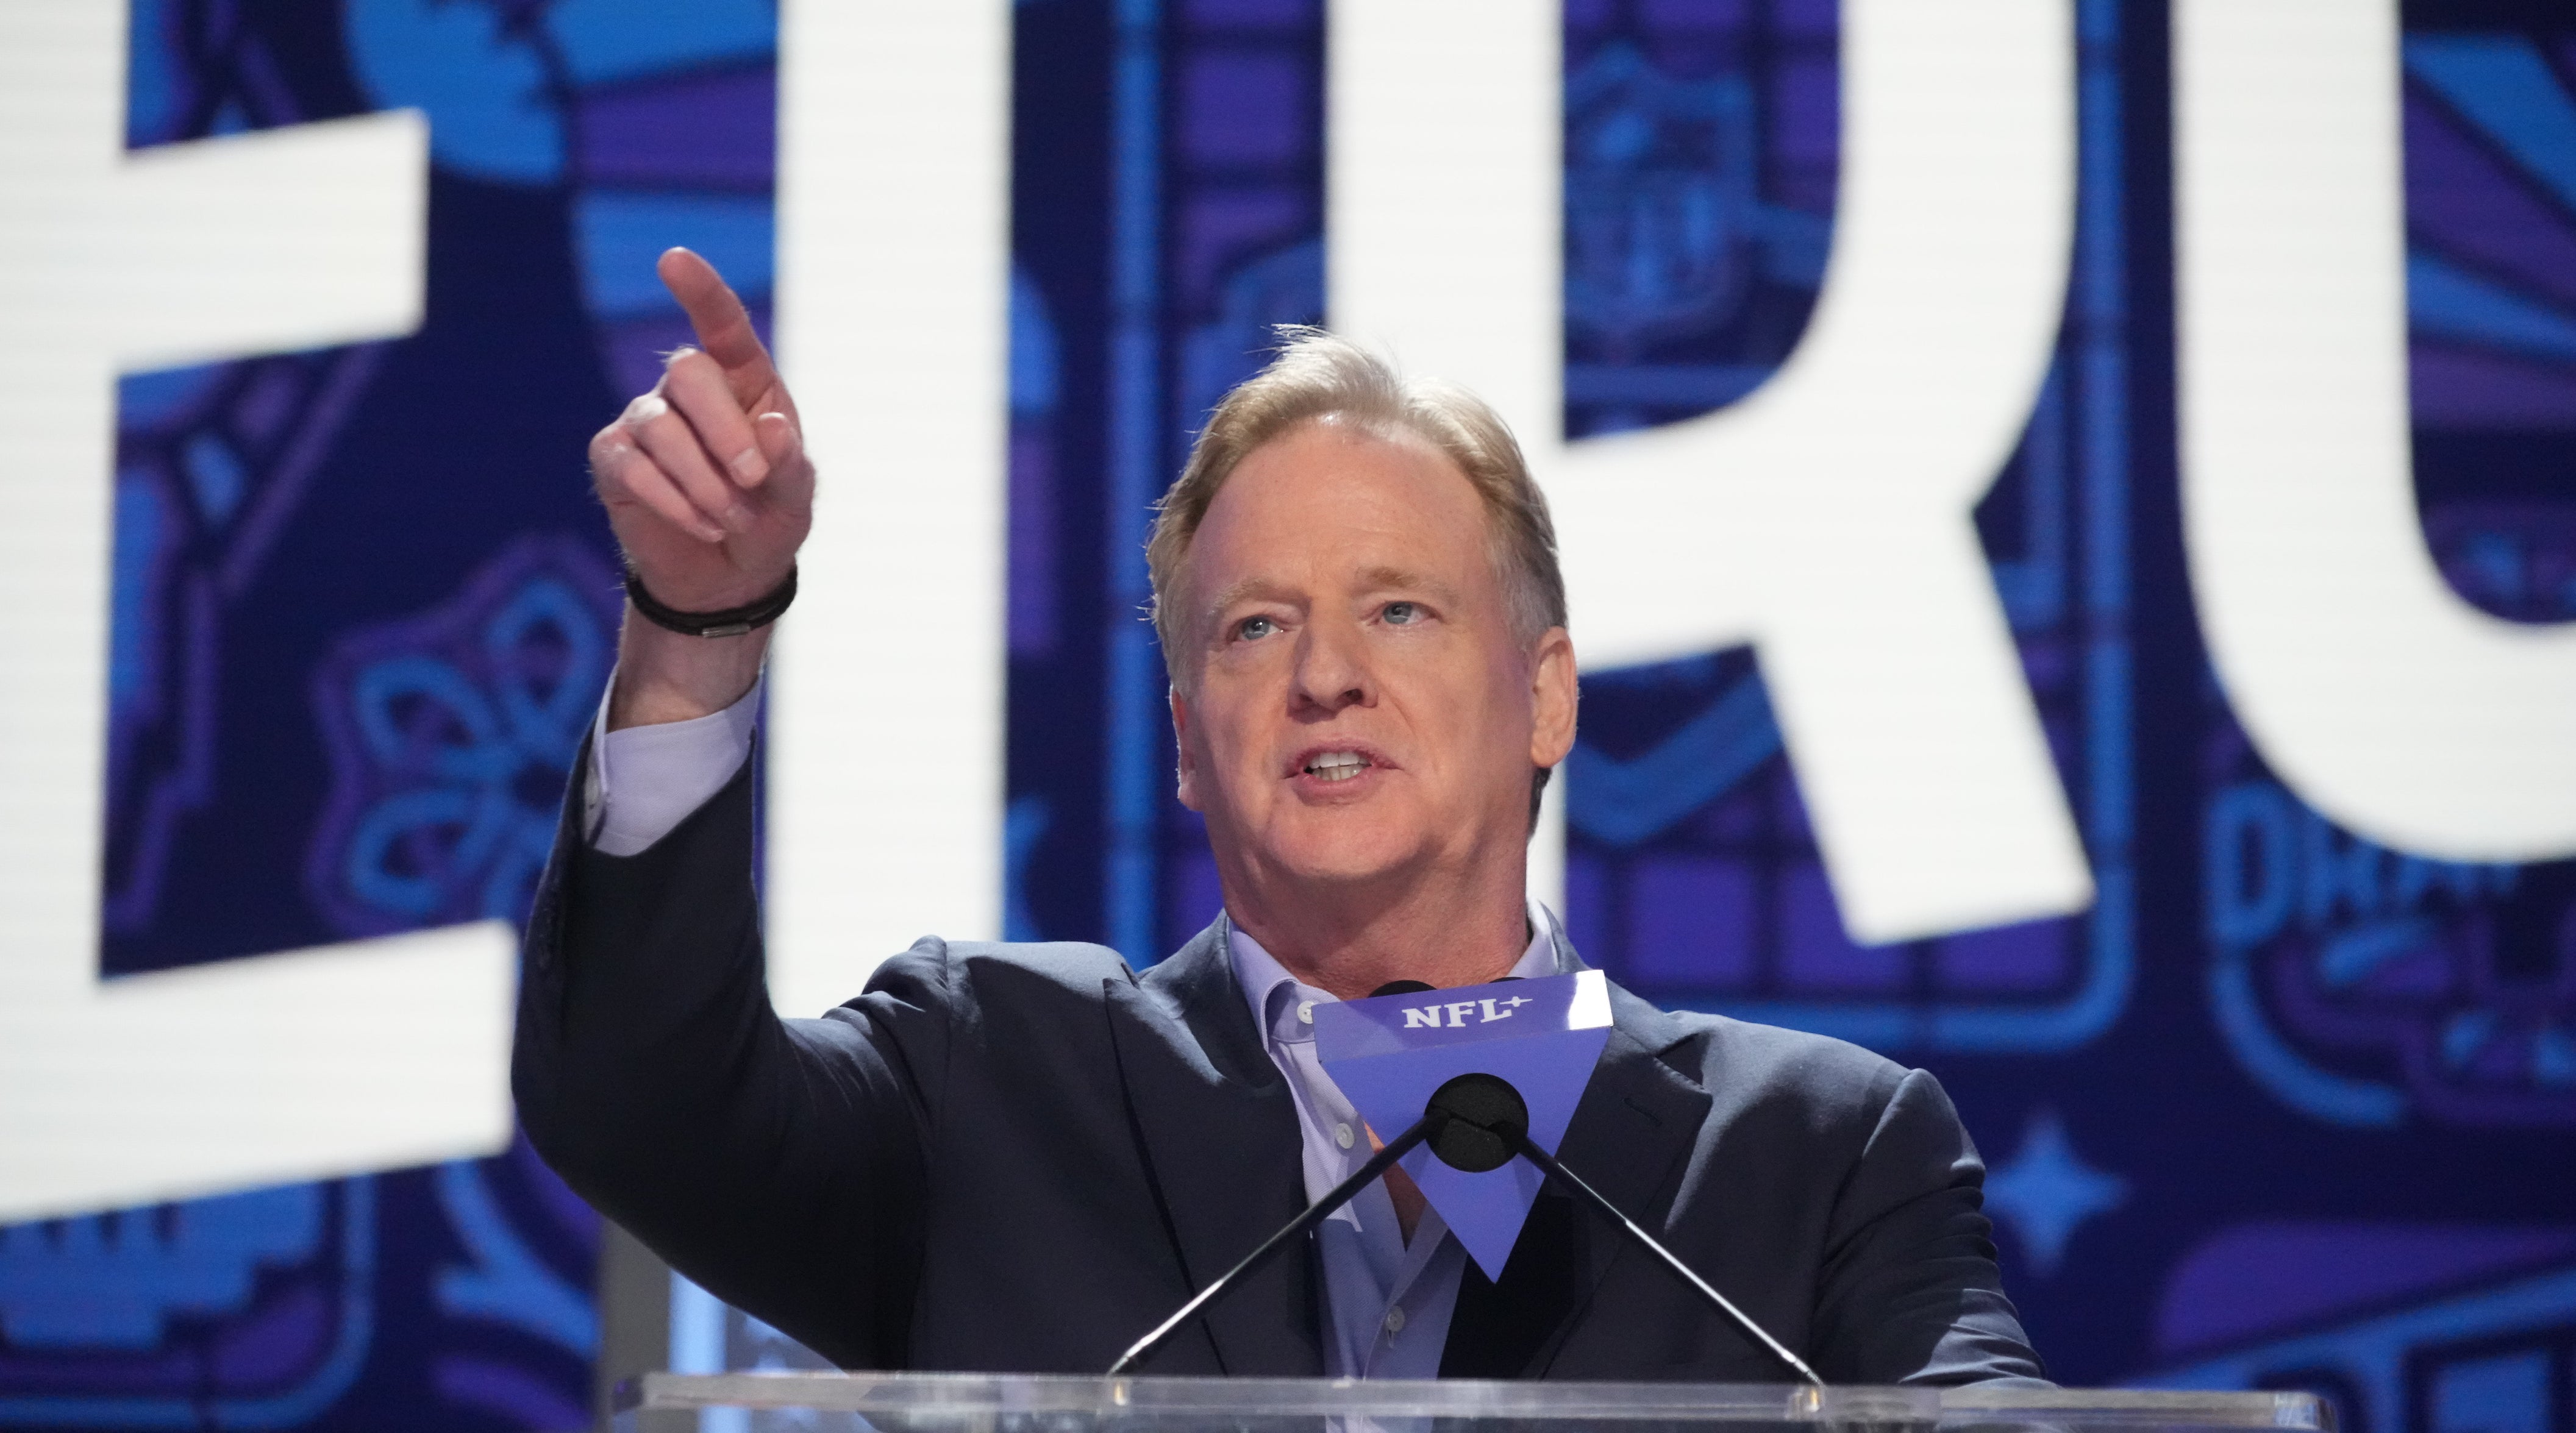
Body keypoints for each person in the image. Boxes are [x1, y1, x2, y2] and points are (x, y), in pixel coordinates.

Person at [514, 248, 2047, 1384]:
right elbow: (640, 1110)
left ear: (1545, 699)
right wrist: (696, 632)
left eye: (1398, 611)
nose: (1325, 676)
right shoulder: (985, 1088)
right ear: (1190, 745)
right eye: (1254, 628)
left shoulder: (1815, 1158)